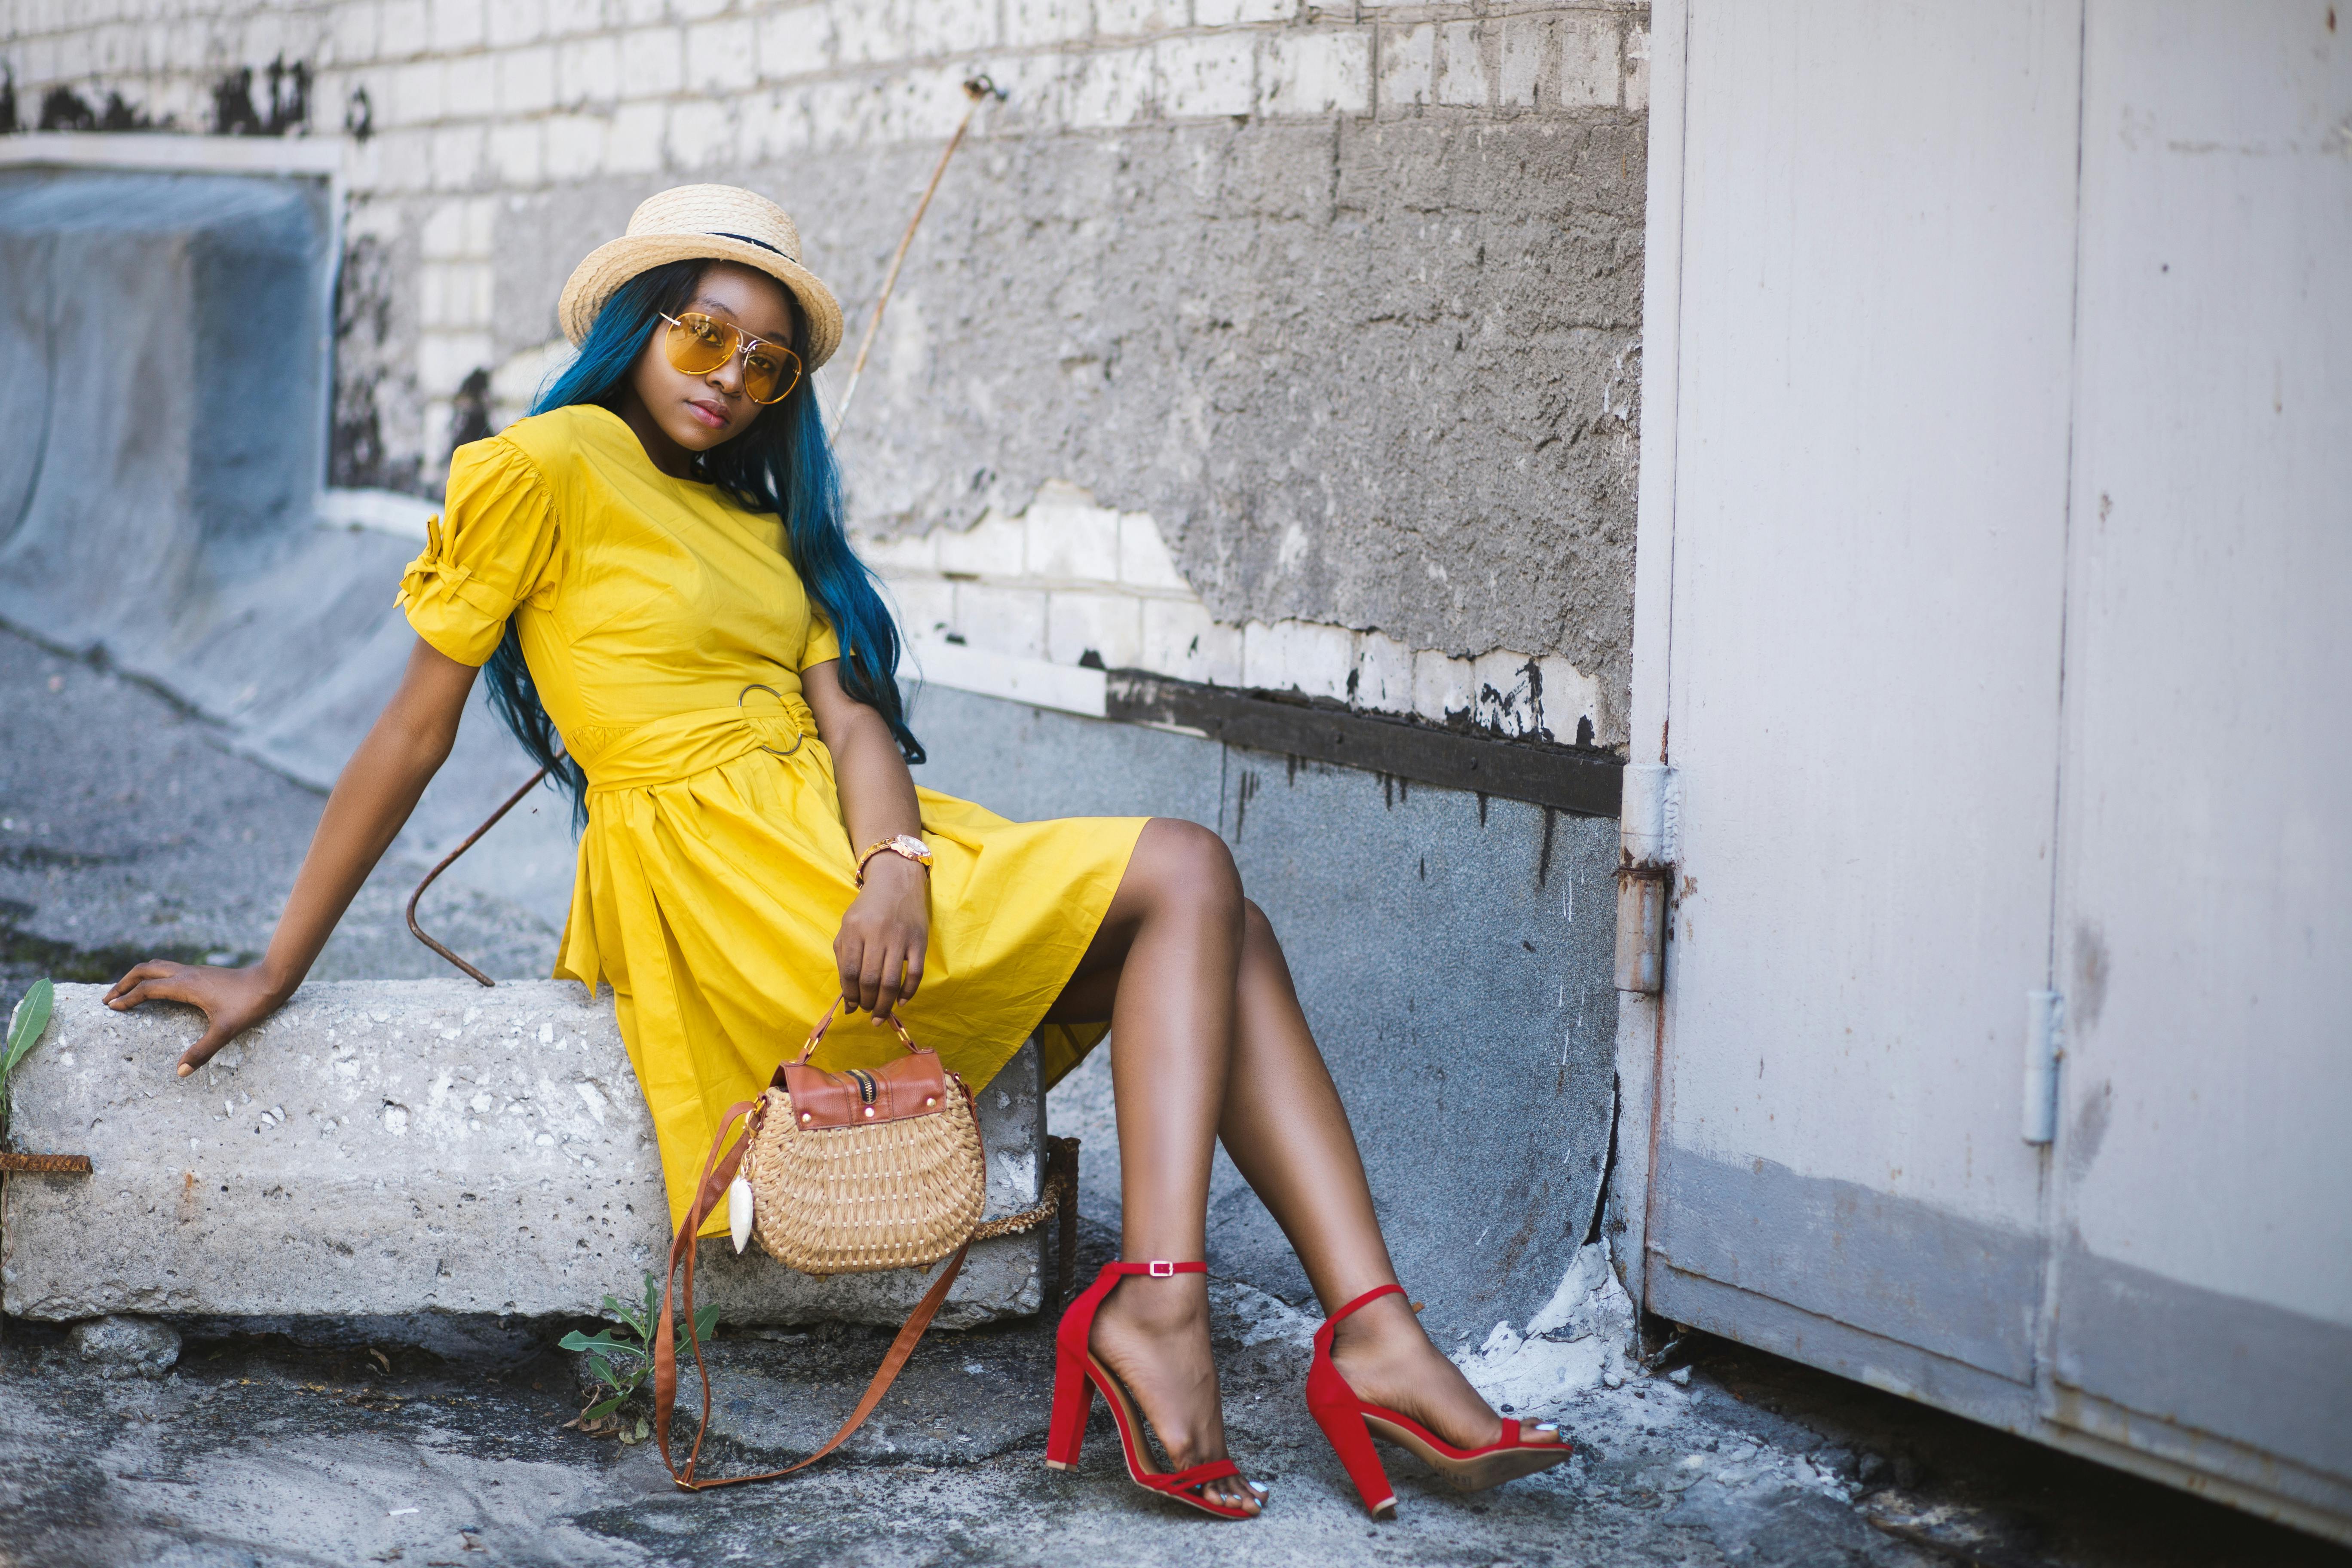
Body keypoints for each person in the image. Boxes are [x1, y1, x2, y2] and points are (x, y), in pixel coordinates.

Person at [105, 184, 1568, 1520]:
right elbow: (408, 737)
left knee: (1218, 922)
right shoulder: (541, 466)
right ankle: (1168, 1314)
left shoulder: (764, 522)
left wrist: (895, 866)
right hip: (720, 882)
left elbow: (856, 726)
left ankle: (1369, 1336)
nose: (728, 375)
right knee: (1184, 868)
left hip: (843, 855)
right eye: (701, 332)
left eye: (765, 363)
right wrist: (275, 969)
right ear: (635, 325)